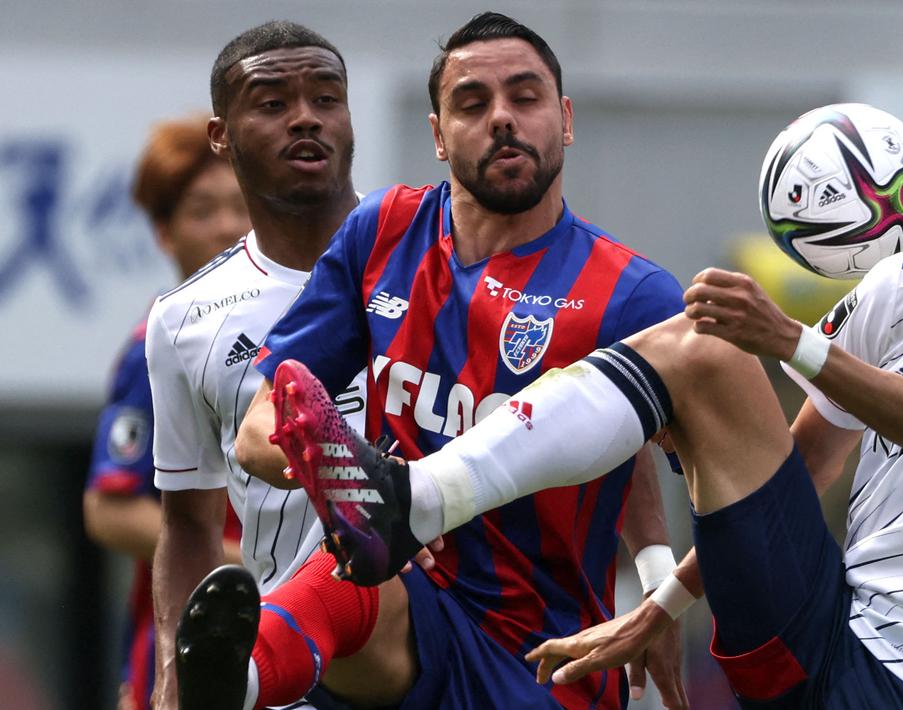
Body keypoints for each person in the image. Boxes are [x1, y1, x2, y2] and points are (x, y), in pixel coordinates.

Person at [270, 91, 903, 708]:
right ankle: (413, 503)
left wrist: (793, 341)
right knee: (707, 351)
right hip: (817, 624)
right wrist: (662, 603)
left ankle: (413, 502)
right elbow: (805, 461)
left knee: (733, 350)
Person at [183, 12, 686, 710]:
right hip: (411, 601)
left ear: (565, 119)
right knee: (354, 576)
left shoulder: (634, 294)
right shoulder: (384, 230)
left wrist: (662, 588)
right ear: (438, 136)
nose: (502, 119)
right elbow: (257, 428)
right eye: (472, 104)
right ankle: (237, 679)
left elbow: (670, 462)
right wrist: (353, 483)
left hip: (547, 650)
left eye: (526, 97)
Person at [145, 21, 373, 710]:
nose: (306, 117)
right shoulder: (184, 319)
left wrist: (649, 567)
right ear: (222, 136)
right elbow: (187, 524)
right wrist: (172, 670)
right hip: (288, 675)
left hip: (449, 648)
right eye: (272, 103)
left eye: (326, 98)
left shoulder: (431, 256)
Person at [83, 115, 249, 710]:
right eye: (202, 211)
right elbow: (108, 508)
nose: (227, 226)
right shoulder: (154, 349)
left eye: (239, 205)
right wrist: (238, 565)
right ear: (163, 233)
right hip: (179, 651)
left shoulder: (306, 326)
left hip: (286, 639)